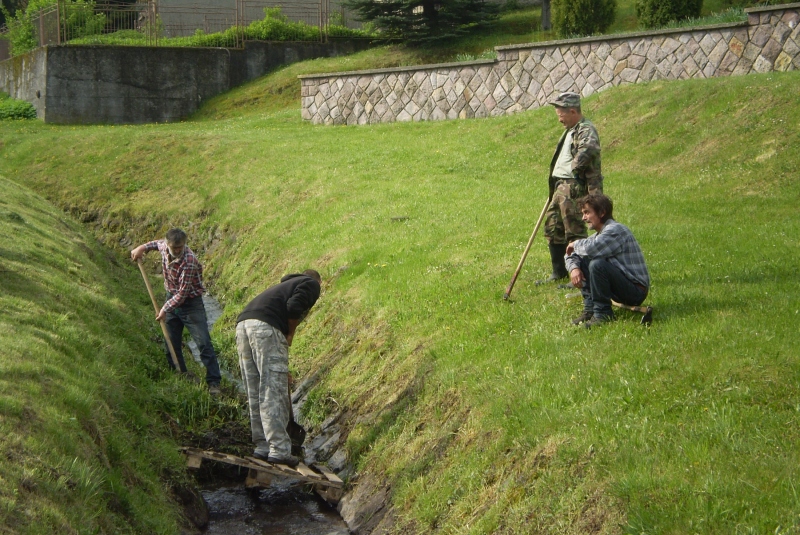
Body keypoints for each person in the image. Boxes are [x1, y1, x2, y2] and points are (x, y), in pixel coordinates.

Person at [235, 270, 322, 466]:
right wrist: (290, 333)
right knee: (272, 390)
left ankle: (263, 445)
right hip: (265, 329)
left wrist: (284, 369)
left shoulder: (281, 288)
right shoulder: (311, 283)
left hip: (243, 325)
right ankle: (280, 449)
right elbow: (294, 308)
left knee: (256, 389)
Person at [131, 228, 222, 395]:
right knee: (171, 341)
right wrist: (142, 248)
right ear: (168, 244)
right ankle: (181, 374)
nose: (178, 250)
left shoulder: (189, 261)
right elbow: (155, 244)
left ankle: (214, 382)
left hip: (190, 303)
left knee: (203, 342)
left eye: (181, 247)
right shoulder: (164, 246)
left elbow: (183, 293)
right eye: (175, 247)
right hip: (171, 297)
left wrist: (165, 308)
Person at [539, 91, 604, 285]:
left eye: (561, 115)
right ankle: (558, 271)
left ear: (573, 111)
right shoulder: (570, 129)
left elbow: (590, 148)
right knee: (553, 228)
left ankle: (579, 273)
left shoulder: (586, 129)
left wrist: (575, 169)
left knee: (573, 229)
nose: (559, 120)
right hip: (560, 187)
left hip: (573, 187)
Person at [565, 194, 650, 329]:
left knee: (597, 264)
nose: (583, 218)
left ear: (602, 212)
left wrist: (575, 244)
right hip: (620, 287)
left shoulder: (616, 230)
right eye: (583, 213)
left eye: (587, 212)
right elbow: (571, 254)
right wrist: (574, 268)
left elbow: (592, 248)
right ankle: (591, 309)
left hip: (635, 291)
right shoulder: (600, 235)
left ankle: (603, 314)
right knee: (585, 258)